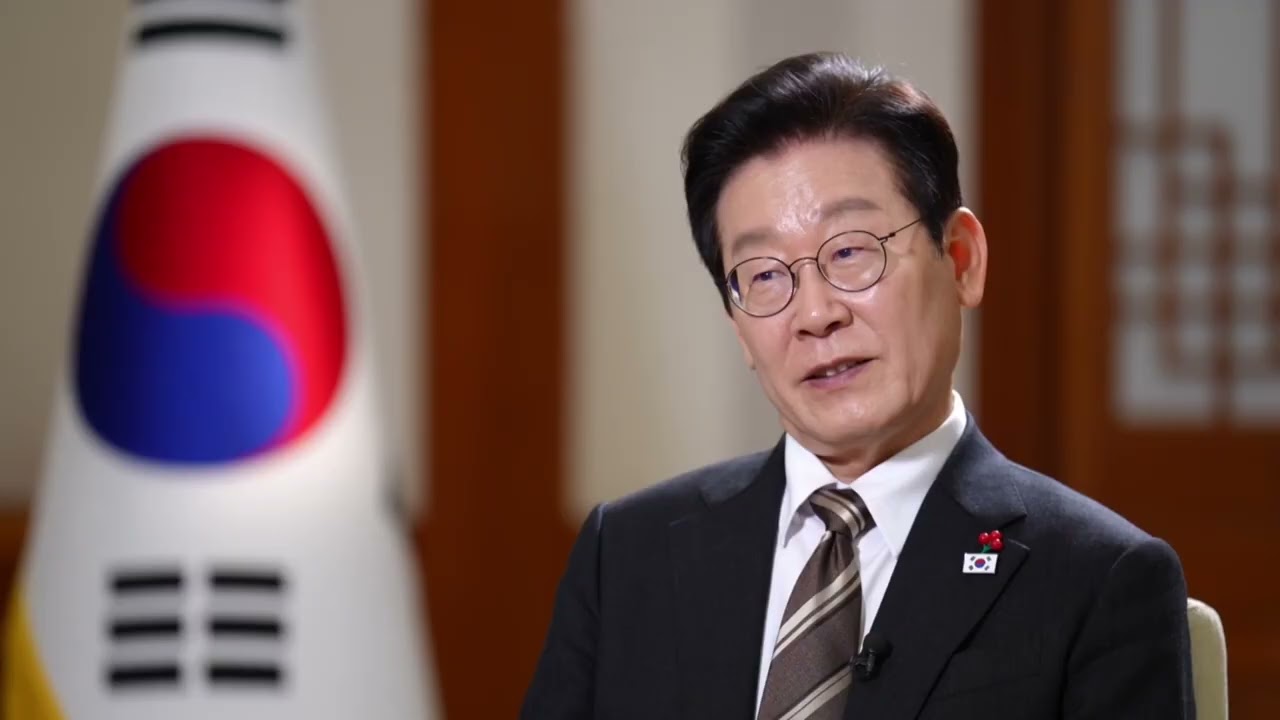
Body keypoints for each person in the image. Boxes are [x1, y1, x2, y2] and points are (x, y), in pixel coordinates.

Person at [521, 52, 1194, 719]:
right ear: (737, 326)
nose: (816, 315)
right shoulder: (626, 554)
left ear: (961, 261)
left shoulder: (1097, 578)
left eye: (849, 251)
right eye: (764, 275)